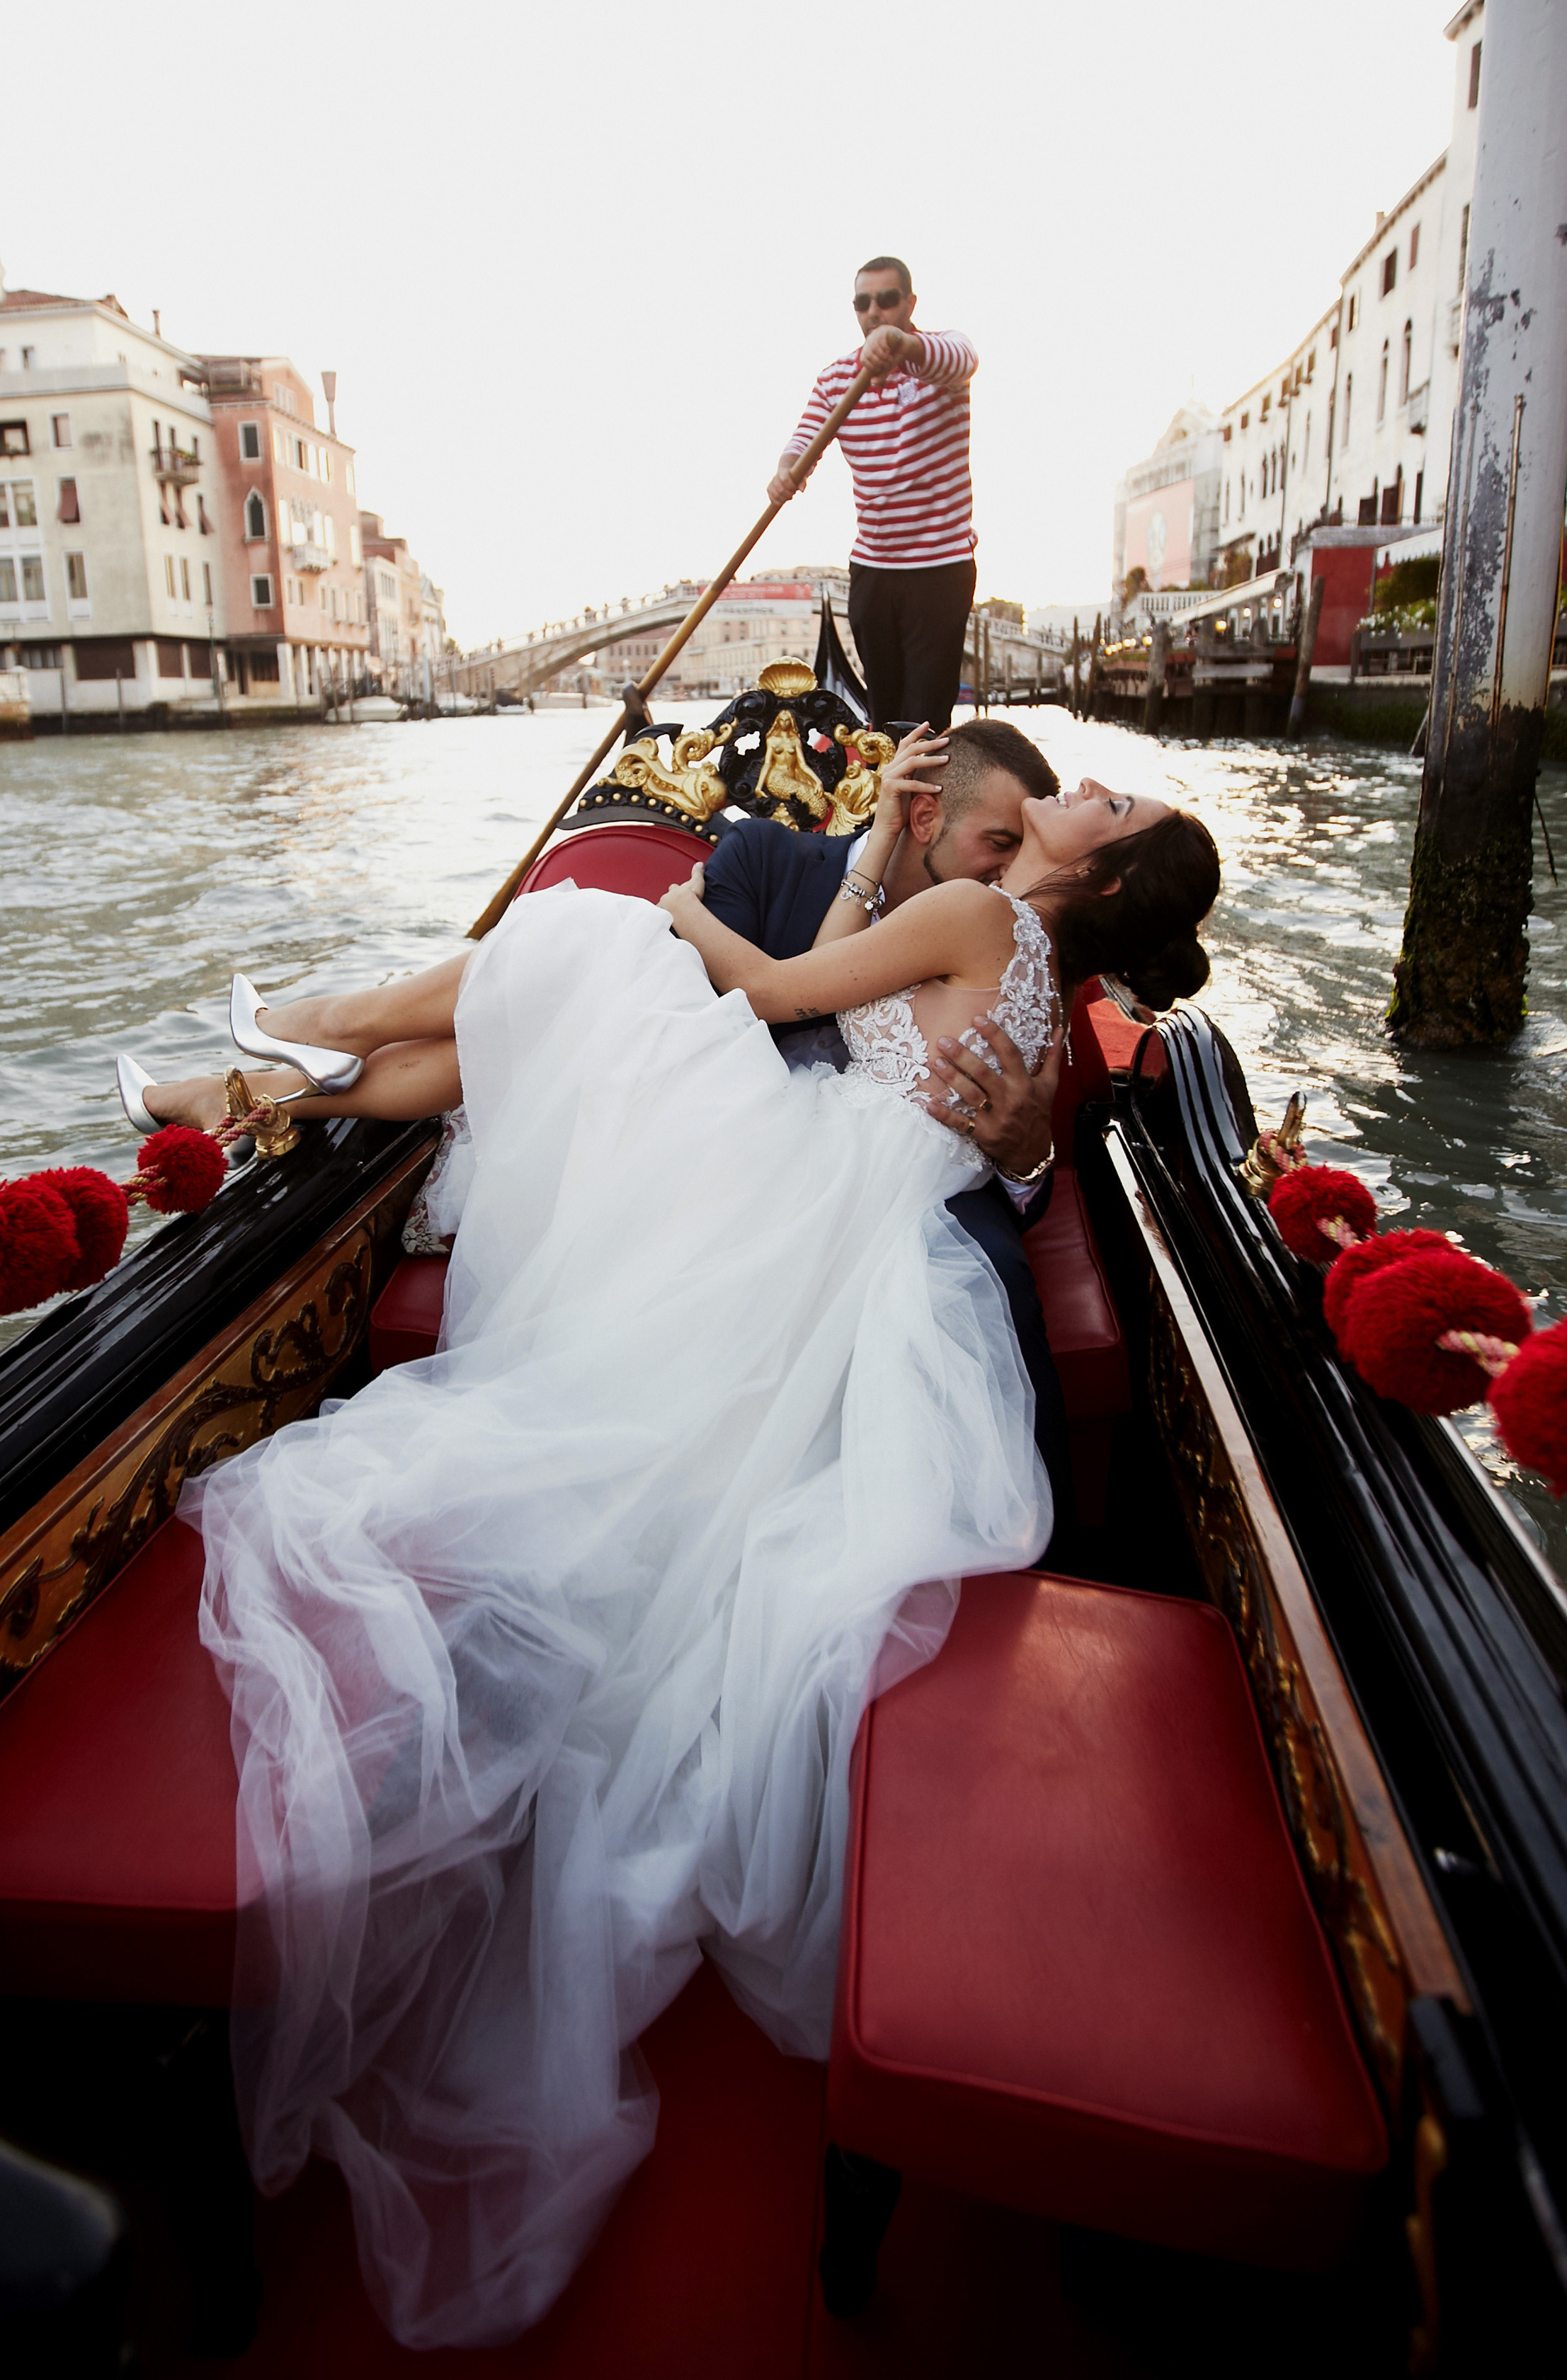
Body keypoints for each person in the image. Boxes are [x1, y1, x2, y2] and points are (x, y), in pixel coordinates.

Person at [131, 781, 1219, 2350]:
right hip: (854, 1222)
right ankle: (249, 1083)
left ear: (1096, 867)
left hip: (796, 1192)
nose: (1070, 791)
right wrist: (848, 871)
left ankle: (293, 1034)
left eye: (1104, 803)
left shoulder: (980, 914)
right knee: (544, 1011)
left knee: (579, 938)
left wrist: (684, 912)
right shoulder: (1033, 972)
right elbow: (896, 1032)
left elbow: (778, 995)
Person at [705, 717, 1076, 1536]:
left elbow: (1030, 1134)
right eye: (997, 842)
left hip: (905, 1187)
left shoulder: (1015, 928)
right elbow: (700, 1011)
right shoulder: (766, 859)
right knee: (590, 947)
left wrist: (1026, 1158)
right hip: (739, 1146)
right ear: (921, 818)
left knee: (984, 1276)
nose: (1010, 869)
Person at [768, 258, 977, 732]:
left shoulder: (942, 359)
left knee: (925, 715)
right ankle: (886, 801)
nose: (874, 312)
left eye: (886, 300)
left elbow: (963, 358)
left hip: (939, 568)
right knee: (883, 715)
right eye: (864, 303)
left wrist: (900, 345)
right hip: (873, 569)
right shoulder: (837, 380)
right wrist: (786, 473)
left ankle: (925, 801)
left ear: (909, 304)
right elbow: (803, 444)